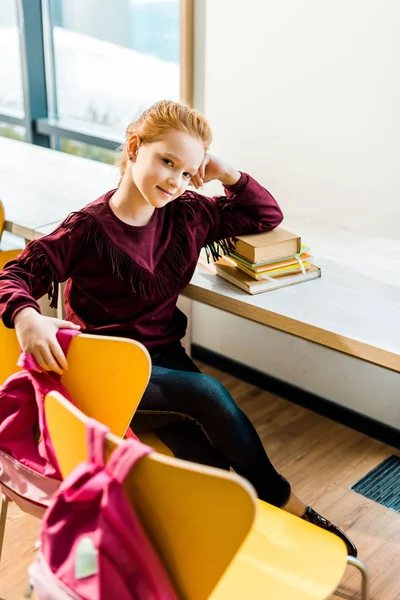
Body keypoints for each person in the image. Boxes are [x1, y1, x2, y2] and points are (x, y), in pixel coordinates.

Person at [0, 100, 356, 556]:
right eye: (167, 162)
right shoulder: (86, 229)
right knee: (207, 395)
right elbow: (15, 275)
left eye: (188, 173)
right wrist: (27, 317)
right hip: (104, 371)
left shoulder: (188, 214)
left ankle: (221, 545)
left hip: (164, 361)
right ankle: (283, 500)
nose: (175, 181)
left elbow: (265, 215)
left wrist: (226, 173)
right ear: (134, 148)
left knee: (207, 467)